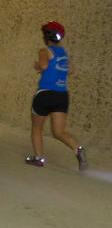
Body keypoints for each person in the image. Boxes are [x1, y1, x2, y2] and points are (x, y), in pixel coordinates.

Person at [25, 21, 88, 171]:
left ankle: (39, 158)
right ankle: (78, 149)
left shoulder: (44, 50)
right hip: (62, 95)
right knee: (59, 132)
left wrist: (38, 66)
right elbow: (71, 70)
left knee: (37, 128)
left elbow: (44, 65)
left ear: (46, 37)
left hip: (45, 94)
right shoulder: (64, 53)